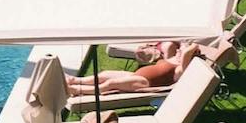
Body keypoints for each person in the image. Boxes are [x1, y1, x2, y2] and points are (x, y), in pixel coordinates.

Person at [69, 39, 209, 97]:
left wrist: (194, 46)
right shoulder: (173, 59)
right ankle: (75, 80)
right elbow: (179, 47)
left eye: (181, 51)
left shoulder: (182, 69)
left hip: (144, 83)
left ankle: (77, 90)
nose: (178, 51)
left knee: (110, 84)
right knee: (104, 74)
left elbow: (186, 52)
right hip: (135, 74)